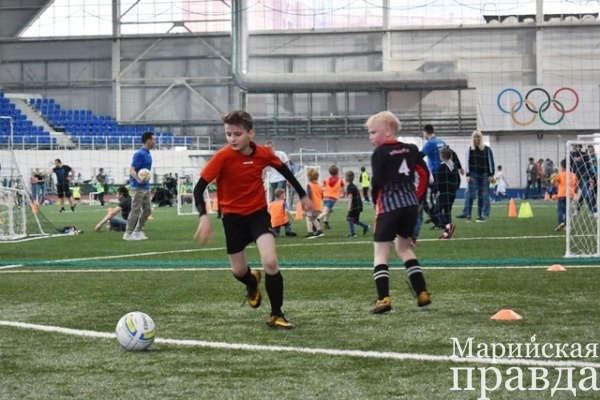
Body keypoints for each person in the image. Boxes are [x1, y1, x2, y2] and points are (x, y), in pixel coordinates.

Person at [193, 110, 314, 329]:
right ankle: (252, 282)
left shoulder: (263, 154)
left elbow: (286, 172)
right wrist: (204, 217)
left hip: (257, 215)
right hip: (232, 219)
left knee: (270, 262)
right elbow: (199, 188)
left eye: (237, 134)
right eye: (228, 134)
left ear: (251, 133)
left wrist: (303, 195)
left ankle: (276, 314)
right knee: (239, 272)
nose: (232, 139)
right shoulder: (222, 157)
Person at [365, 111, 431, 314]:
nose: (370, 136)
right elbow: (424, 173)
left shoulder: (380, 153)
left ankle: (383, 298)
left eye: (373, 132)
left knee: (380, 252)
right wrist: (418, 199)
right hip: (410, 205)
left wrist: (375, 202)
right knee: (404, 248)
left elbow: (377, 182)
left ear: (388, 130)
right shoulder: (411, 149)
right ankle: (422, 292)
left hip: (389, 206)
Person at [123, 131, 155, 241]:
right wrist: (138, 179)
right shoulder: (139, 154)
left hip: (146, 186)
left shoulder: (148, 153)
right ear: (148, 140)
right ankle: (128, 233)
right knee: (135, 210)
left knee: (148, 210)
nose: (155, 142)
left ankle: (138, 231)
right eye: (153, 139)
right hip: (137, 187)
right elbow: (132, 169)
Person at [463, 130, 495, 222]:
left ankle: (481, 215)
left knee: (483, 195)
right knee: (470, 194)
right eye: (475, 137)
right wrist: (468, 175)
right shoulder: (469, 149)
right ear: (472, 138)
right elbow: (467, 162)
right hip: (473, 174)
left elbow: (491, 162)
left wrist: (491, 175)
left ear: (481, 138)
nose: (476, 139)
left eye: (478, 137)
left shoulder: (487, 149)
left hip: (484, 174)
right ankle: (468, 215)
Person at [433, 147, 460, 240]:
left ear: (441, 155)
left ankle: (448, 226)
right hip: (452, 193)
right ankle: (446, 233)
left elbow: (438, 181)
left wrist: (435, 191)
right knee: (447, 211)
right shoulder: (454, 166)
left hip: (444, 193)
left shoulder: (442, 167)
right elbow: (458, 179)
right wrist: (455, 188)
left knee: (437, 211)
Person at [552, 159, 578, 231]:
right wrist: (575, 190)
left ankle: (561, 222)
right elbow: (577, 184)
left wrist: (555, 185)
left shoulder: (561, 174)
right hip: (570, 195)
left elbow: (553, 181)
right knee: (567, 210)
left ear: (562, 167)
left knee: (560, 209)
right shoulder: (573, 175)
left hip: (562, 194)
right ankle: (567, 225)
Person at [317, 164, 344, 230]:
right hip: (332, 198)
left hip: (325, 197)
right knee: (325, 212)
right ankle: (317, 220)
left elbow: (322, 188)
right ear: (337, 172)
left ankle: (326, 224)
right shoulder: (340, 180)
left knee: (329, 211)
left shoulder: (326, 180)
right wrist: (342, 194)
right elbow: (343, 189)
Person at [344, 170, 370, 237]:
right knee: (355, 220)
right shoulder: (353, 186)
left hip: (355, 206)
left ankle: (352, 233)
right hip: (359, 206)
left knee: (349, 218)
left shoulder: (349, 187)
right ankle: (365, 226)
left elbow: (350, 196)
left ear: (346, 179)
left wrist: (349, 206)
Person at [305, 168, 324, 239]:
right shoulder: (319, 186)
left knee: (308, 219)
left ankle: (310, 233)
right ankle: (319, 231)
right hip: (318, 205)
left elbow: (309, 196)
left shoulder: (309, 185)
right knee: (314, 218)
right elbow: (322, 196)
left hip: (311, 205)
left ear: (309, 177)